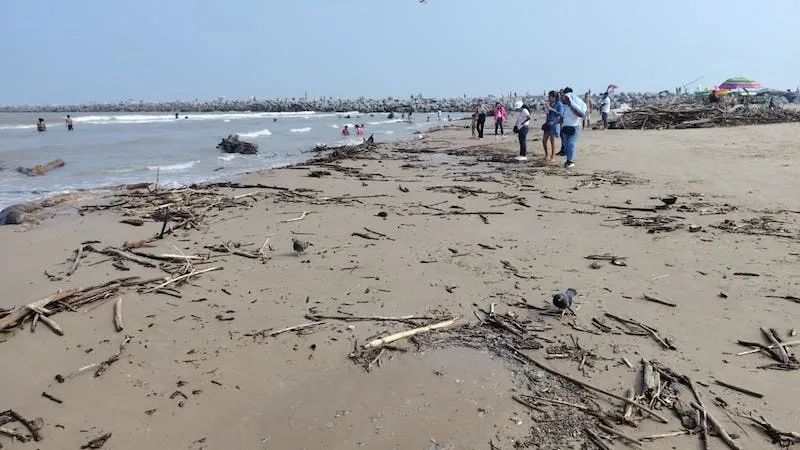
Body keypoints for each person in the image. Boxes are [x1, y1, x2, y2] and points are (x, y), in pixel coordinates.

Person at [560, 89, 587, 168]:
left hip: (574, 127)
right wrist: (554, 122)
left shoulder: (575, 105)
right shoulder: (564, 107)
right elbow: (562, 117)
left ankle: (570, 161)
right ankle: (568, 159)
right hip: (565, 127)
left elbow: (581, 114)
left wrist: (571, 105)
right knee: (566, 145)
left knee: (571, 144)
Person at [542, 91, 564, 161]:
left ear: (554, 97)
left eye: (549, 97)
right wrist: (545, 110)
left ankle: (553, 156)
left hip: (554, 123)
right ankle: (547, 155)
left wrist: (552, 109)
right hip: (548, 123)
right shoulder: (550, 103)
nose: (548, 98)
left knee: (552, 141)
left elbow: (561, 114)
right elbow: (548, 113)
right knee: (544, 140)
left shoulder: (559, 104)